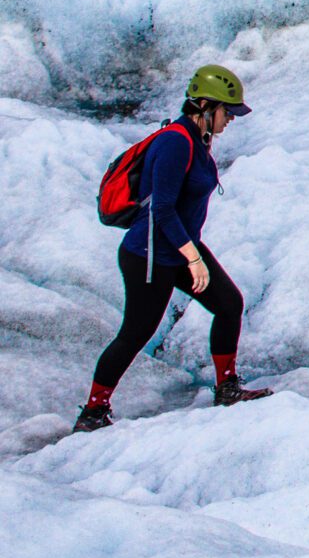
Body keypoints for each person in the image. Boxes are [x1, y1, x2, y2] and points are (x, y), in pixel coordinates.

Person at [77, 64, 270, 432]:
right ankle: (93, 412)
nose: (229, 120)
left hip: (179, 247)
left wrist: (190, 252)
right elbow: (162, 208)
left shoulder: (197, 141)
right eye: (226, 112)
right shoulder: (174, 142)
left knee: (229, 304)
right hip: (149, 255)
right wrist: (194, 259)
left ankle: (227, 387)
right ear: (203, 105)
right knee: (135, 333)